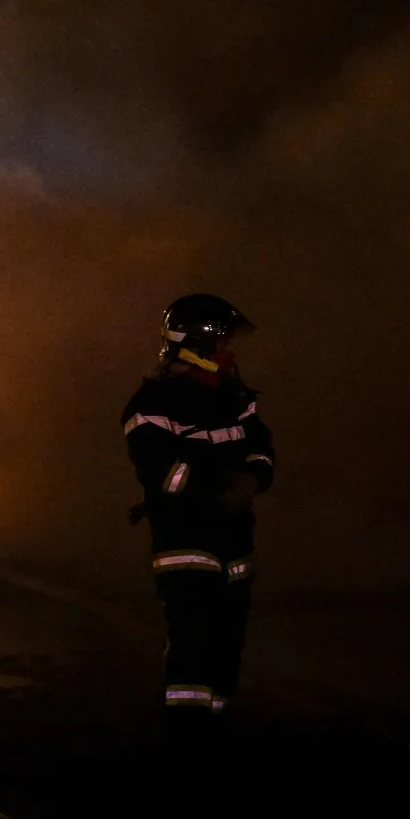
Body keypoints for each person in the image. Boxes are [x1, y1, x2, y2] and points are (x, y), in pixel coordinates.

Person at [122, 293, 275, 737]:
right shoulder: (152, 403)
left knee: (227, 642)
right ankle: (187, 741)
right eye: (224, 341)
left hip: (235, 541)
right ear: (199, 343)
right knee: (193, 638)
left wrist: (253, 480)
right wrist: (221, 486)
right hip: (185, 540)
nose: (231, 350)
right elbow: (162, 474)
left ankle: (217, 731)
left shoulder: (235, 396)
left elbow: (261, 449)